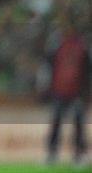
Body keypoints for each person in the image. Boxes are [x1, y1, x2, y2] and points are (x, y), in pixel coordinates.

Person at [46, 21, 90, 165]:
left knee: (76, 123)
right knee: (58, 121)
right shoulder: (58, 44)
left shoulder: (83, 46)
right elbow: (50, 66)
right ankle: (52, 154)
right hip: (61, 90)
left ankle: (77, 155)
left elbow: (87, 70)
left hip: (76, 92)